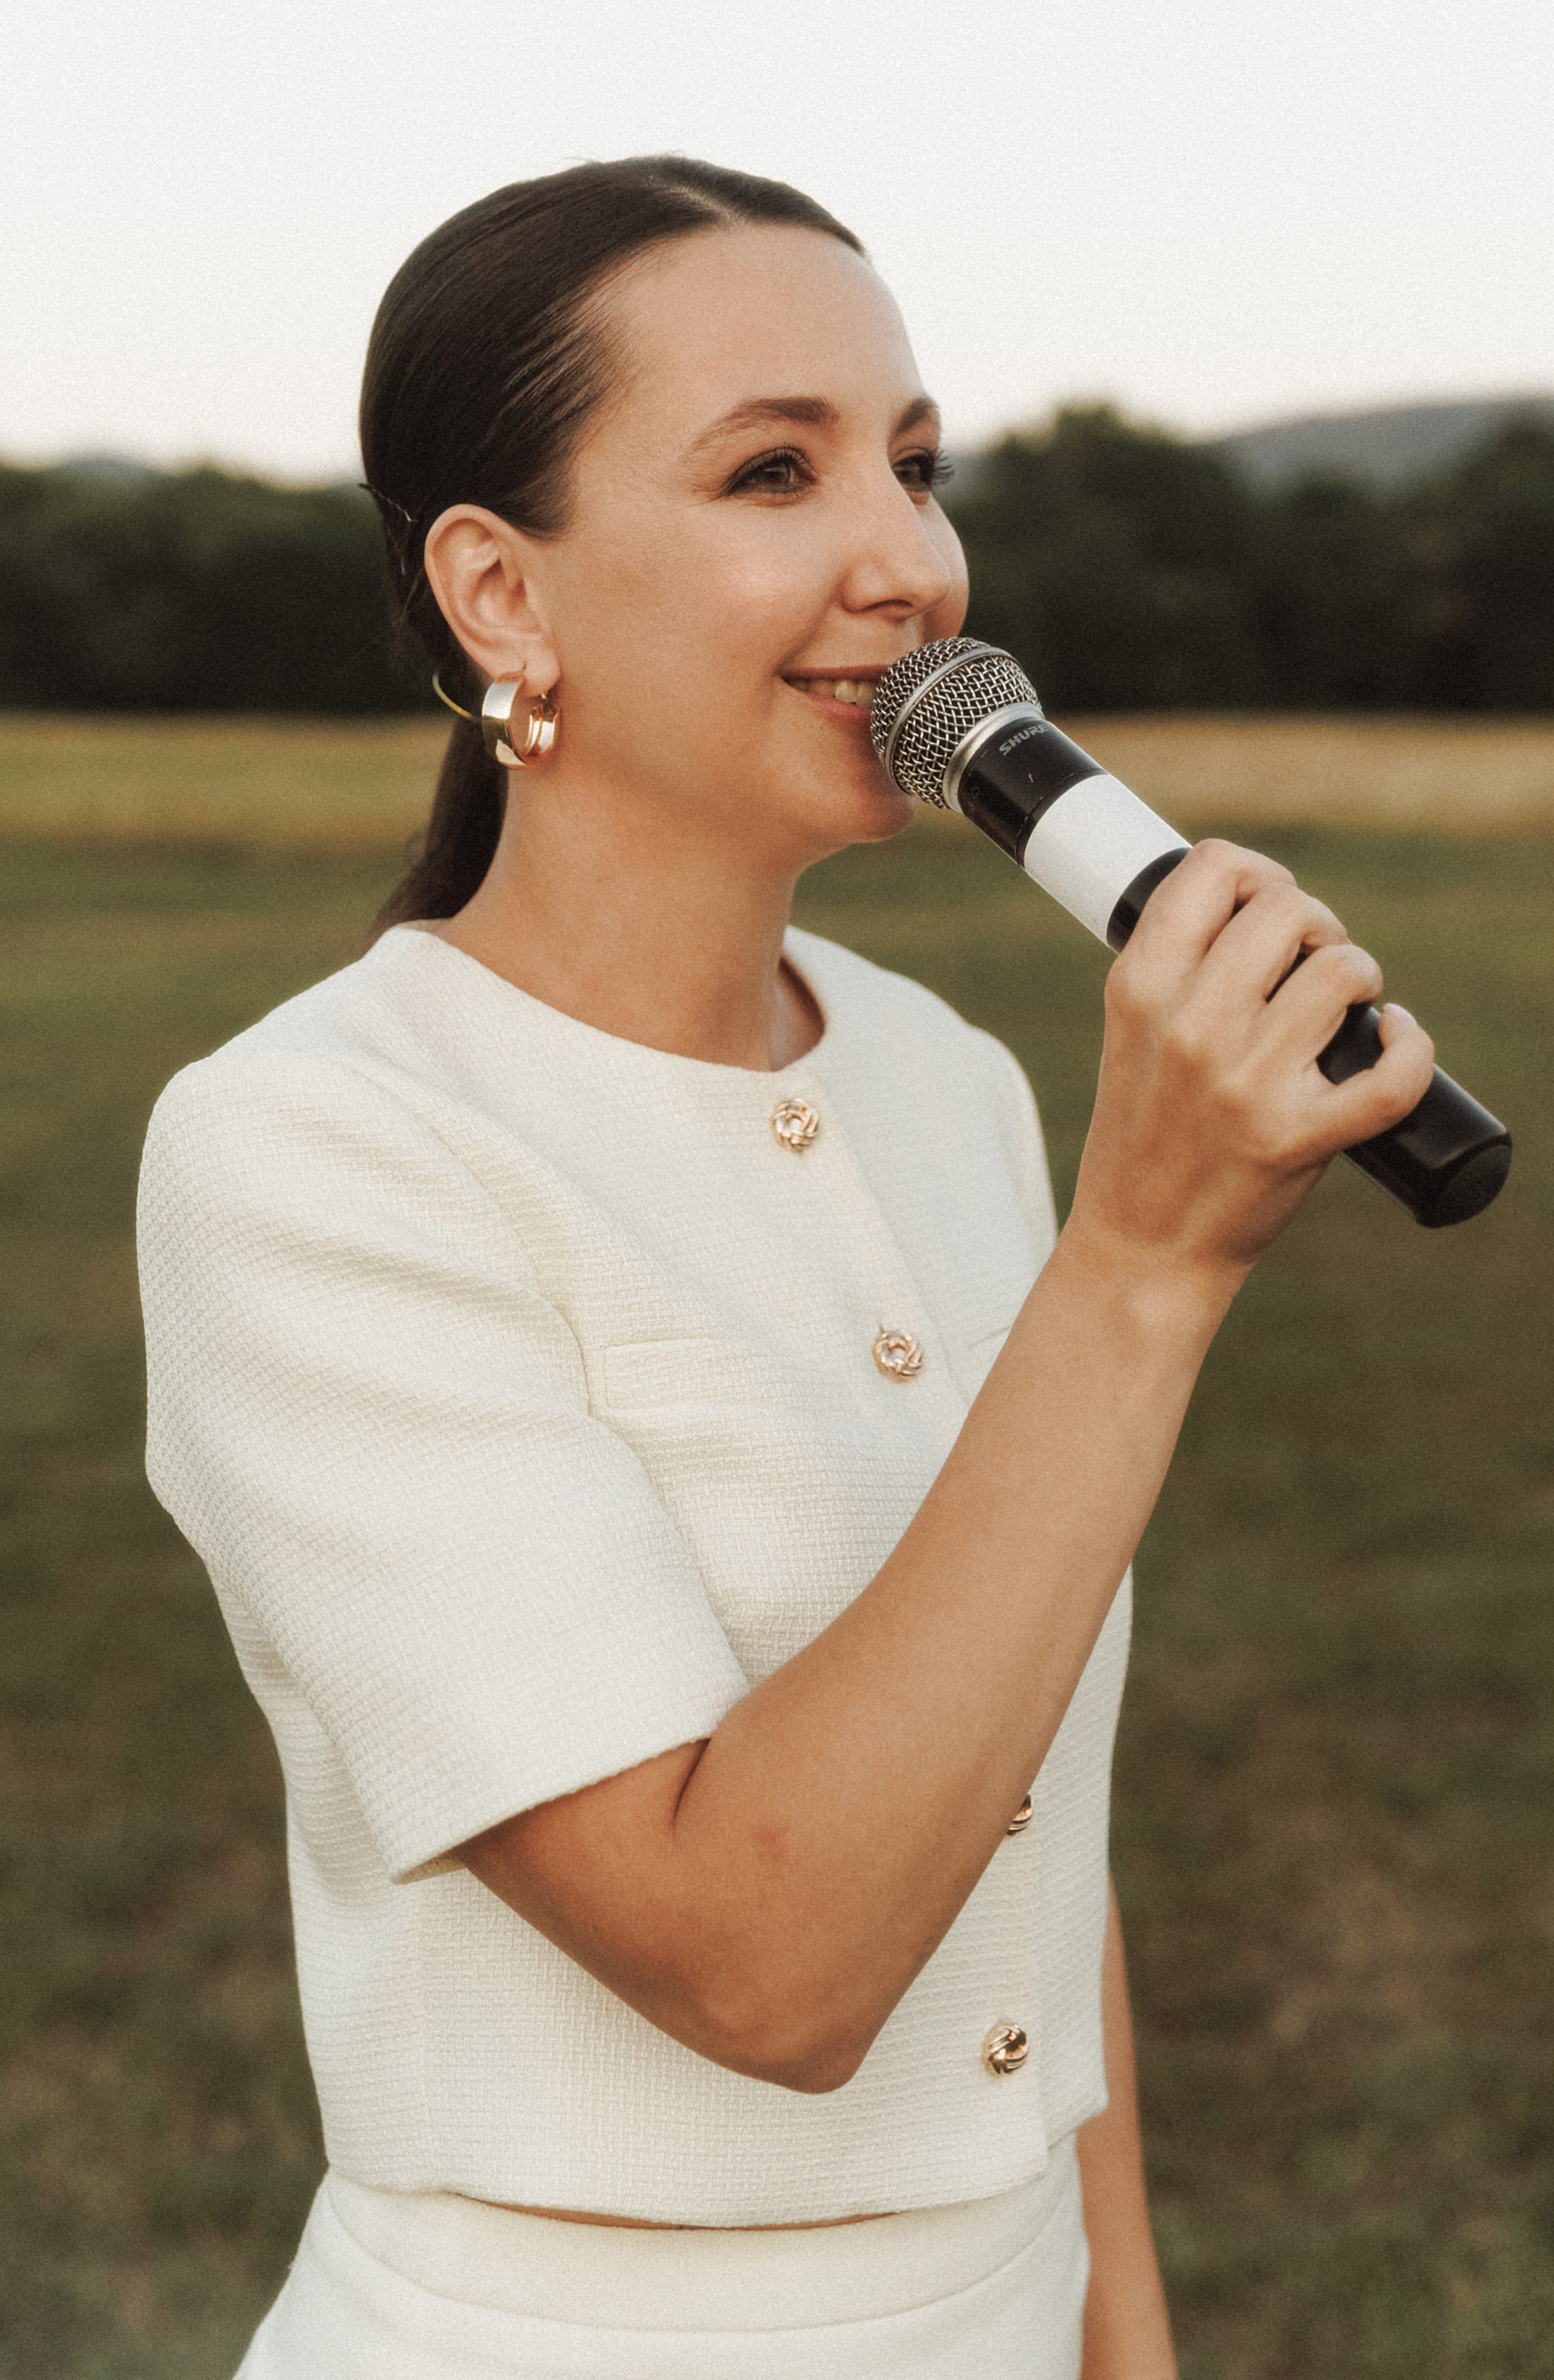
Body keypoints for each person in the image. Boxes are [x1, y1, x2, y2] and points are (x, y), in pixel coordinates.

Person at [136, 158, 1433, 2379]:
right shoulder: (315, 1152)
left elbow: (1024, 1793)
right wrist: (1142, 1267)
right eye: (774, 469)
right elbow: (766, 1967)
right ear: (498, 595)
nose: (909, 560)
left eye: (917, 465)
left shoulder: (943, 1077)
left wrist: (1124, 2329)